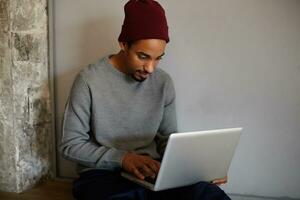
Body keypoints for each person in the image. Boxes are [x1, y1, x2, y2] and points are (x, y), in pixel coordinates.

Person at [60, 0, 230, 199]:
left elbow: (168, 140)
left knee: (209, 194)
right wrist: (123, 159)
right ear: (123, 44)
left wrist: (198, 169)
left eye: (158, 58)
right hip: (102, 174)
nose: (150, 68)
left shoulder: (163, 83)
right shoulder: (89, 80)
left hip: (152, 171)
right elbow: (70, 145)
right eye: (143, 56)